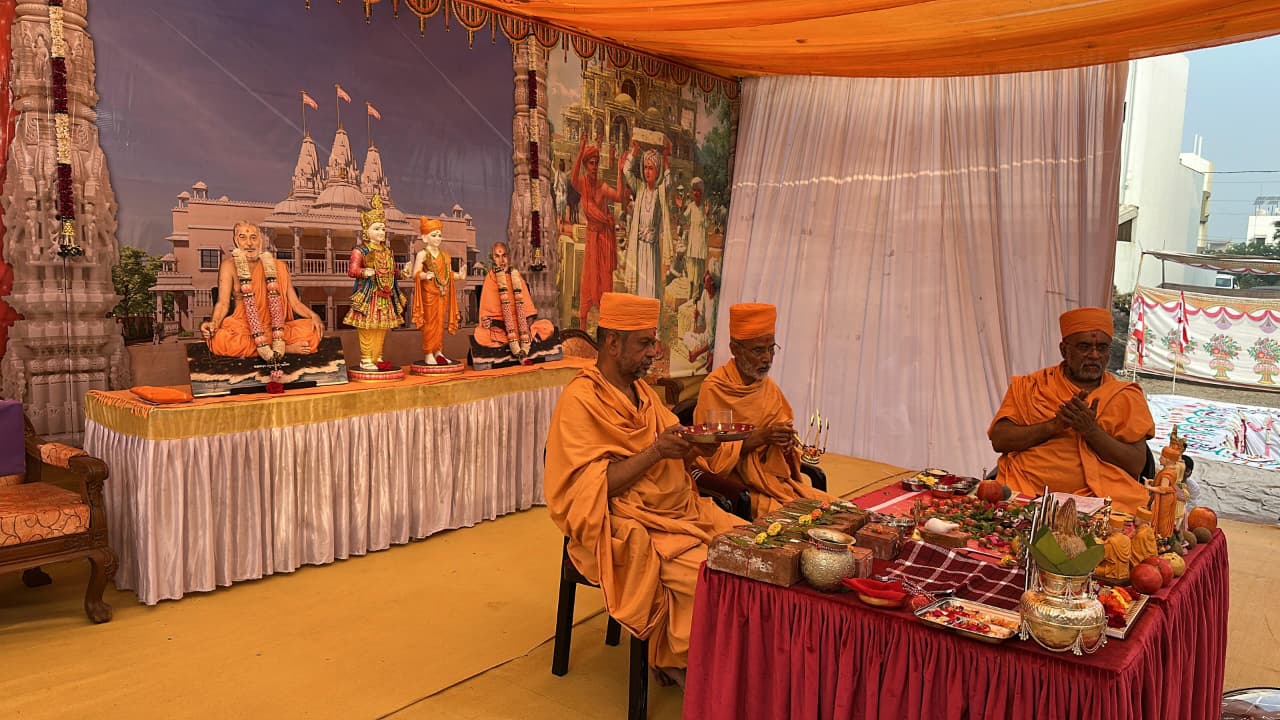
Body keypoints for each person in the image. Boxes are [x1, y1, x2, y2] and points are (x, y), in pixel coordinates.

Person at [544, 292, 744, 686]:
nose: (654, 352)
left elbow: (674, 449)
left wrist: (697, 447)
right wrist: (655, 452)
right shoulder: (580, 400)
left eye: (653, 342)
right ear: (612, 343)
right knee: (713, 578)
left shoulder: (644, 394)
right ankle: (682, 663)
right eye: (644, 343)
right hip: (620, 525)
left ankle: (724, 666)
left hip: (677, 512)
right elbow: (591, 489)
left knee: (747, 554)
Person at [987, 307, 1155, 514]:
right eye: (1084, 347)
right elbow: (1000, 440)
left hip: (1098, 500)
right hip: (1027, 492)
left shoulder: (1125, 396)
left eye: (1102, 348)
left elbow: (1136, 464)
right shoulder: (1032, 386)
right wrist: (1053, 426)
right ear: (1064, 350)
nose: (1094, 355)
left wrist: (1091, 431)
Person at [695, 303, 835, 518]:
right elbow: (712, 457)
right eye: (758, 350)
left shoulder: (767, 386)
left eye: (771, 349)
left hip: (774, 481)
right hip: (738, 486)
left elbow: (784, 451)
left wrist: (785, 444)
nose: (767, 358)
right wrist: (761, 437)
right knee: (800, 520)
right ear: (735, 349)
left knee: (839, 510)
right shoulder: (715, 388)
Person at [202, 222, 323, 360]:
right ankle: (285, 349)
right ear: (236, 241)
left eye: (253, 237)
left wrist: (313, 315)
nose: (249, 243)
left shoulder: (278, 266)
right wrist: (214, 323)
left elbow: (295, 303)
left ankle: (272, 346)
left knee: (313, 330)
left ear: (260, 240)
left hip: (275, 327)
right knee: (219, 339)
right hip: (244, 326)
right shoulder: (229, 266)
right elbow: (223, 303)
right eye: (243, 237)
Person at [468, 241, 562, 370]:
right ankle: (521, 347)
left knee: (547, 327)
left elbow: (529, 311)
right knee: (480, 335)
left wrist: (525, 330)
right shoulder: (490, 280)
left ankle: (519, 346)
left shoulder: (517, 277)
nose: (502, 260)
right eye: (497, 256)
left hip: (521, 327)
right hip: (500, 330)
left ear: (509, 256)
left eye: (504, 255)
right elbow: (488, 315)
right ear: (493, 258)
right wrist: (502, 327)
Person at [344, 195, 406, 370]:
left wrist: (402, 273)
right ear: (367, 230)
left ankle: (378, 357)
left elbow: (391, 272)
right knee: (367, 328)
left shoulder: (387, 251)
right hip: (368, 295)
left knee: (381, 327)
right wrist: (364, 272)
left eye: (383, 229)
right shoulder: (360, 250)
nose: (381, 232)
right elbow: (352, 270)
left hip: (385, 294)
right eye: (377, 228)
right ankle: (366, 359)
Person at [571, 132, 624, 328]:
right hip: (592, 238)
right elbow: (573, 179)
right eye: (591, 163)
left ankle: (606, 325)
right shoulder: (583, 184)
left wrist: (620, 171)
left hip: (604, 239)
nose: (594, 166)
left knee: (605, 279)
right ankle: (582, 326)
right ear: (586, 165)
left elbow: (619, 196)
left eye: (596, 163)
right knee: (588, 279)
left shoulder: (602, 187)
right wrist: (581, 150)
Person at [621, 138, 674, 300]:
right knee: (638, 289)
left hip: (651, 250)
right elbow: (626, 171)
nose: (647, 172)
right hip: (638, 248)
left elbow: (669, 182)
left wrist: (665, 159)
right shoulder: (639, 188)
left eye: (651, 168)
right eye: (645, 167)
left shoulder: (660, 192)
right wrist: (635, 151)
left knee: (650, 289)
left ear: (657, 170)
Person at [406, 217, 462, 366]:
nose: (437, 238)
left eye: (439, 235)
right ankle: (428, 352)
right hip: (429, 294)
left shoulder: (445, 256)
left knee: (440, 323)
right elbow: (415, 273)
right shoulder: (423, 254)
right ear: (425, 237)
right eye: (434, 235)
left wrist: (460, 276)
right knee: (430, 323)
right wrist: (425, 275)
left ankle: (438, 351)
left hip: (442, 293)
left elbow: (449, 275)